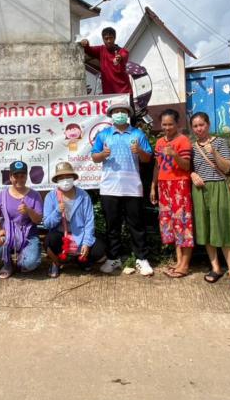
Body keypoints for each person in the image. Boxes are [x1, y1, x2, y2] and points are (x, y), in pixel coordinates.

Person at [90, 97, 154, 276]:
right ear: (111, 115)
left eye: (123, 111)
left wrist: (139, 151)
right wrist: (102, 154)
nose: (119, 114)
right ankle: (113, 258)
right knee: (112, 226)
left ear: (128, 115)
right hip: (109, 187)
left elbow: (147, 158)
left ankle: (142, 259)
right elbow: (94, 157)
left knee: (137, 225)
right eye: (116, 112)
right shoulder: (103, 134)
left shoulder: (137, 134)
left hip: (133, 187)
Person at [189, 112, 230, 289]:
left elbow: (227, 168)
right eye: (195, 126)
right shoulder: (192, 147)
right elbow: (189, 168)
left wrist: (214, 153)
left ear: (208, 124)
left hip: (218, 187)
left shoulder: (220, 142)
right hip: (200, 190)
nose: (199, 129)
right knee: (206, 227)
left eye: (201, 125)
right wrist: (192, 174)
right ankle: (216, 268)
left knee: (223, 226)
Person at [150, 109, 194, 278]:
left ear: (177, 124)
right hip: (163, 185)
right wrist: (153, 186)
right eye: (164, 124)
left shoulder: (183, 141)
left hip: (179, 185)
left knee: (183, 222)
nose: (167, 127)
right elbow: (157, 166)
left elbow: (186, 166)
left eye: (170, 124)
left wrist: (175, 155)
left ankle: (185, 265)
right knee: (171, 223)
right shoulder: (160, 142)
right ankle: (178, 261)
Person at [42, 162, 105, 278]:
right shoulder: (50, 197)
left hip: (80, 235)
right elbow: (47, 224)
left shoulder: (83, 196)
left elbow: (89, 221)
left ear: (73, 178)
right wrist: (57, 211)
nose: (65, 180)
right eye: (61, 177)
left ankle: (78, 259)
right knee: (49, 240)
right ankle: (56, 262)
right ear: (57, 180)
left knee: (99, 249)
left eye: (68, 176)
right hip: (61, 236)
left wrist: (86, 243)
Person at [0, 161, 43, 279]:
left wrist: (29, 211)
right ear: (10, 177)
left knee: (30, 264)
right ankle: (7, 264)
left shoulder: (35, 195)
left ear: (26, 177)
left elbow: (38, 220)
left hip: (29, 236)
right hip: (9, 235)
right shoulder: (2, 195)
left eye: (22, 176)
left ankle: (21, 259)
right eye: (16, 176)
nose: (19, 179)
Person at [78, 27, 132, 96]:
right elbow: (88, 49)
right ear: (103, 39)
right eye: (106, 38)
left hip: (124, 93)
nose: (109, 41)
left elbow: (124, 55)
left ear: (114, 38)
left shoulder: (122, 51)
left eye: (111, 38)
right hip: (109, 95)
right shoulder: (101, 50)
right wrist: (85, 43)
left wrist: (119, 57)